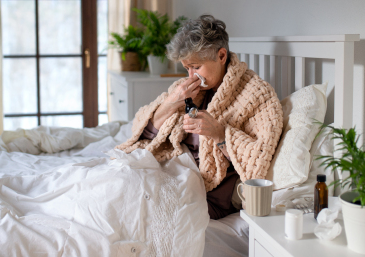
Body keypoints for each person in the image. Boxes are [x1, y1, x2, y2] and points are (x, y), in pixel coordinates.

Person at [116, 15, 283, 219]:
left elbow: (257, 161)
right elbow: (142, 133)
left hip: (208, 192)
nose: (191, 76)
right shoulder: (183, 89)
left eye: (196, 67)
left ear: (222, 56)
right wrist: (170, 104)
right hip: (172, 171)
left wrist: (220, 134)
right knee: (118, 187)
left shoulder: (257, 94)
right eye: (187, 68)